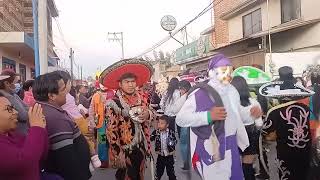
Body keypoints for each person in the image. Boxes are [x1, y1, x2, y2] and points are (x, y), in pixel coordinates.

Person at [176, 54, 257, 180]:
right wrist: (208, 116)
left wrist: (250, 114)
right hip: (211, 147)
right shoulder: (200, 93)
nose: (227, 74)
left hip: (232, 145)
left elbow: (236, 115)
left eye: (230, 70)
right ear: (212, 72)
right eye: (223, 70)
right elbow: (181, 118)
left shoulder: (232, 91)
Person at [33, 71, 92, 180]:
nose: (67, 93)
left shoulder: (49, 110)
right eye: (63, 89)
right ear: (51, 95)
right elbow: (66, 158)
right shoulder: (55, 119)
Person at [102, 58, 154, 180]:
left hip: (140, 148)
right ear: (120, 84)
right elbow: (111, 131)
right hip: (124, 151)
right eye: (127, 82)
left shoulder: (142, 99)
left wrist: (148, 114)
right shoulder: (113, 103)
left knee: (140, 176)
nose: (131, 85)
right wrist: (117, 152)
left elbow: (153, 114)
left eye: (133, 81)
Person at [260, 66, 313, 180]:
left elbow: (266, 135)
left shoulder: (274, 112)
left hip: (285, 154)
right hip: (305, 152)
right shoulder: (306, 109)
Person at [0, 87, 48, 180]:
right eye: (8, 109)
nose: (16, 112)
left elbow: (39, 156)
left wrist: (42, 129)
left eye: (13, 108)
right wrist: (37, 128)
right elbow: (25, 163)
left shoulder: (15, 136)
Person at [58, 71, 101, 169]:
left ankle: (91, 158)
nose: (71, 85)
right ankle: (93, 156)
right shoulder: (61, 96)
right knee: (85, 138)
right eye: (69, 82)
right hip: (74, 120)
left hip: (80, 118)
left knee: (89, 137)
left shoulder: (69, 95)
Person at [231, 76, 263, 180]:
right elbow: (259, 124)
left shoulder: (231, 104)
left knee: (234, 164)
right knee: (248, 165)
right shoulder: (253, 102)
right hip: (251, 133)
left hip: (235, 133)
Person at [88, 83, 114, 168]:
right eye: (101, 83)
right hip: (101, 124)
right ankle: (103, 160)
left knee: (113, 140)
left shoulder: (113, 94)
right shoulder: (95, 95)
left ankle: (115, 159)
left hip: (113, 123)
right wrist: (92, 123)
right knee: (102, 141)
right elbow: (91, 110)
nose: (103, 85)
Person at [170, 80, 192, 170]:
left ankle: (186, 163)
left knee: (184, 143)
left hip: (185, 122)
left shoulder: (184, 97)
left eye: (180, 89)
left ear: (184, 89)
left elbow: (175, 109)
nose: (180, 91)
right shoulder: (194, 95)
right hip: (194, 121)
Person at [0, 70, 29, 135]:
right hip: (18, 133)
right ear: (7, 83)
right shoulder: (6, 97)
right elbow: (23, 116)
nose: (17, 85)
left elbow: (26, 106)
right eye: (16, 82)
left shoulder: (13, 94)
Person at [151, 115, 177, 180]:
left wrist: (171, 143)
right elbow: (151, 138)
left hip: (169, 156)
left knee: (171, 173)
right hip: (160, 156)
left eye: (162, 123)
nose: (159, 125)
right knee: (158, 172)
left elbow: (175, 141)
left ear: (167, 125)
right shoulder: (156, 132)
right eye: (159, 123)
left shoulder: (171, 132)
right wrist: (153, 134)